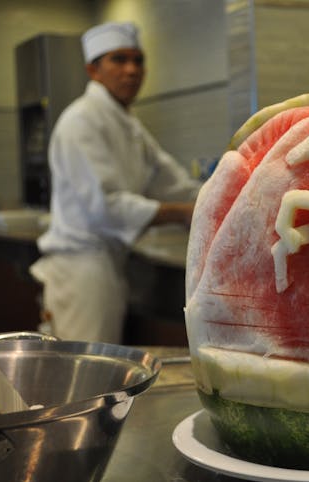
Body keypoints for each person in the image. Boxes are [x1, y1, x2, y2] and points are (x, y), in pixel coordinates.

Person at [30, 21, 201, 344]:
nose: (132, 70)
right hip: (81, 273)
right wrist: (181, 212)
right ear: (93, 70)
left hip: (106, 266)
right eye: (119, 60)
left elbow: (171, 181)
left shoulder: (128, 124)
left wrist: (220, 196)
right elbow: (104, 206)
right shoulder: (81, 120)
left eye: (138, 60)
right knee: (84, 381)